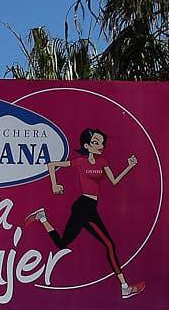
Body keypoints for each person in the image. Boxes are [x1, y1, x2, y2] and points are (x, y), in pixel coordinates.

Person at [22, 128, 146, 300]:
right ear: (87, 145)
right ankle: (124, 287)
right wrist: (54, 185)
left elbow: (115, 181)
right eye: (96, 142)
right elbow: (52, 165)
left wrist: (130, 166)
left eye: (102, 142)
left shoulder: (103, 161)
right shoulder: (80, 162)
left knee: (62, 243)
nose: (100, 145)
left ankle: (42, 217)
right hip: (83, 207)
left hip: (89, 207)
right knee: (109, 245)